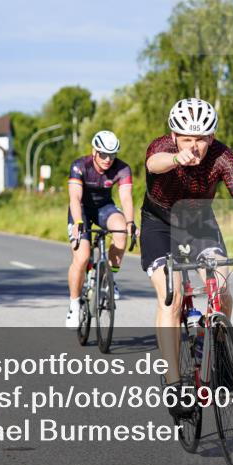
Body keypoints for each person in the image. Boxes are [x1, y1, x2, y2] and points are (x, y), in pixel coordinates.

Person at [140, 98, 233, 418]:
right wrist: (176, 157)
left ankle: (217, 346)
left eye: (201, 138)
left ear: (211, 138)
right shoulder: (163, 147)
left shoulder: (222, 156)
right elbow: (153, 164)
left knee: (221, 289)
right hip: (159, 224)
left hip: (198, 222)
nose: (194, 145)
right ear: (174, 135)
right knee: (170, 299)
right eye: (187, 137)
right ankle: (174, 384)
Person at [64, 130, 136, 327]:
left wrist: (130, 222)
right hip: (81, 211)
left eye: (112, 155)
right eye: (103, 154)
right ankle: (74, 304)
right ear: (94, 151)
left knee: (121, 231)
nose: (107, 159)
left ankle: (108, 279)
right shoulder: (80, 166)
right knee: (82, 257)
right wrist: (78, 222)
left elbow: (126, 198)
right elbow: (75, 198)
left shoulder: (122, 169)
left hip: (105, 208)